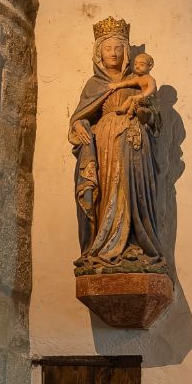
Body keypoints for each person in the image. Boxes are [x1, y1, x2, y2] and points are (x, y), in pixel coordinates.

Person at [70, 19, 164, 270]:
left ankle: (136, 244)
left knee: (134, 193)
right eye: (107, 48)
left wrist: (145, 114)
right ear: (98, 52)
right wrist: (79, 126)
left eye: (118, 48)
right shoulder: (94, 85)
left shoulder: (138, 80)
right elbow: (80, 117)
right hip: (104, 148)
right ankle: (104, 246)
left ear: (126, 52)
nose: (112, 53)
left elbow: (155, 118)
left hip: (134, 147)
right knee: (109, 192)